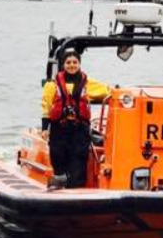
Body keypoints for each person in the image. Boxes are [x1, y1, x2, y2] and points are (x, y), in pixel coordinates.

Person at [41, 50, 111, 189]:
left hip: (80, 129)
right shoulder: (52, 85)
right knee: (58, 155)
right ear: (63, 64)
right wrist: (44, 128)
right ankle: (60, 181)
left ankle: (76, 187)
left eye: (75, 62)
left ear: (79, 64)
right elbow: (47, 106)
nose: (71, 65)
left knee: (79, 157)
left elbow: (107, 91)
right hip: (59, 128)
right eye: (68, 62)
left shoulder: (88, 83)